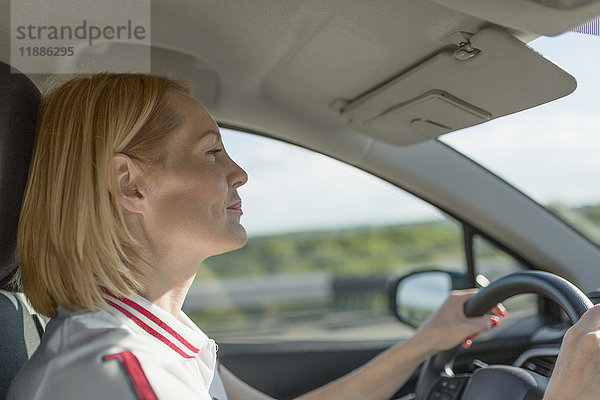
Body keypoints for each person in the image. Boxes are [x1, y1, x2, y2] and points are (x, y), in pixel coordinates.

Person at [6, 73, 599, 400]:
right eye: (212, 151)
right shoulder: (119, 376)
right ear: (130, 186)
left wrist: (423, 344)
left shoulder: (152, 337)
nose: (238, 172)